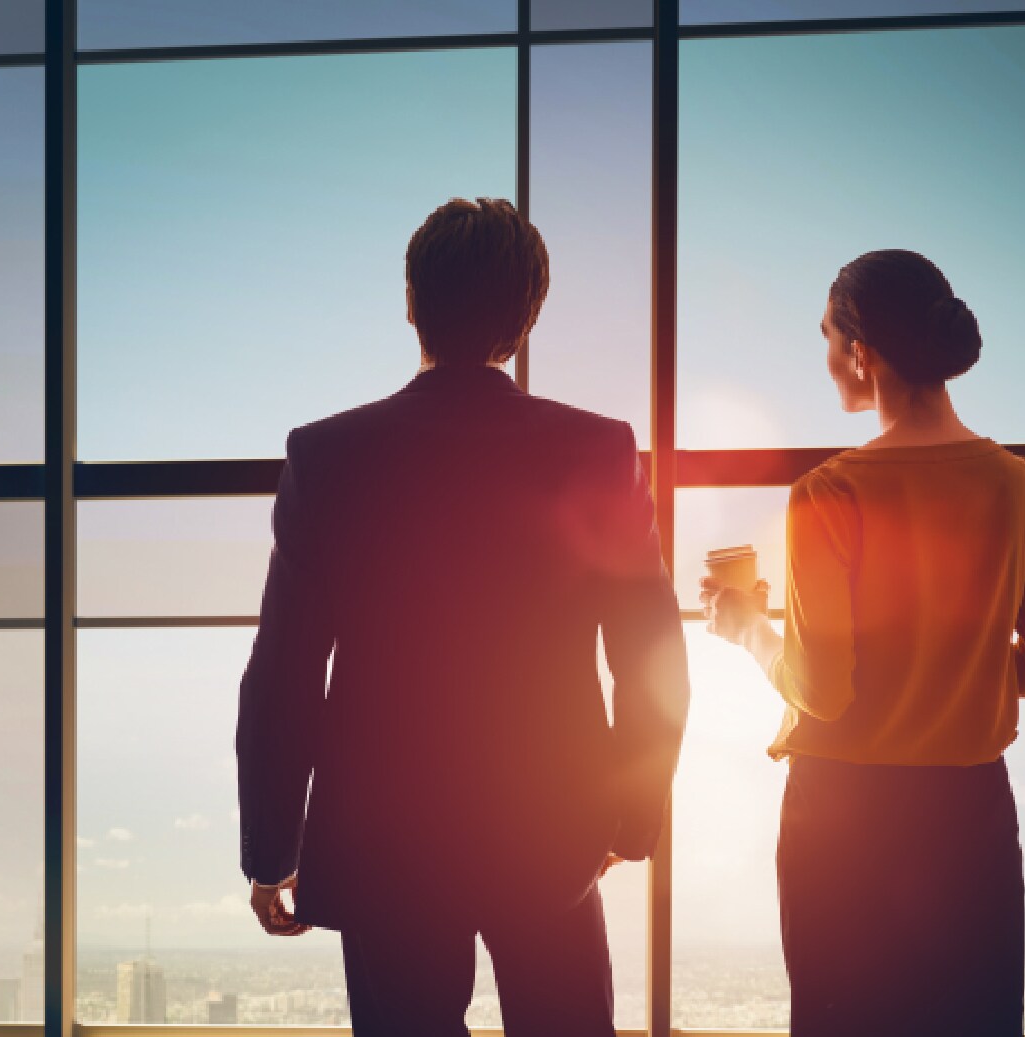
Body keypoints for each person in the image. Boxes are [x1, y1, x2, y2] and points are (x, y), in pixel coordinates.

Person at [236, 197, 690, 1037]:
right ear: (526, 319)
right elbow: (650, 648)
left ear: (411, 300)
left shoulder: (329, 454)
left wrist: (272, 848)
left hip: (382, 837)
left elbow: (285, 669)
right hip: (553, 825)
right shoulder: (596, 449)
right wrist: (630, 819)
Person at [701, 249, 1025, 1036]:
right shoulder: (1020, 485)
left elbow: (823, 686)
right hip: (970, 816)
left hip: (844, 818)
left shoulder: (828, 494)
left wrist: (750, 630)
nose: (827, 357)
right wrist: (958, 668)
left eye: (827, 338)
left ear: (862, 353)